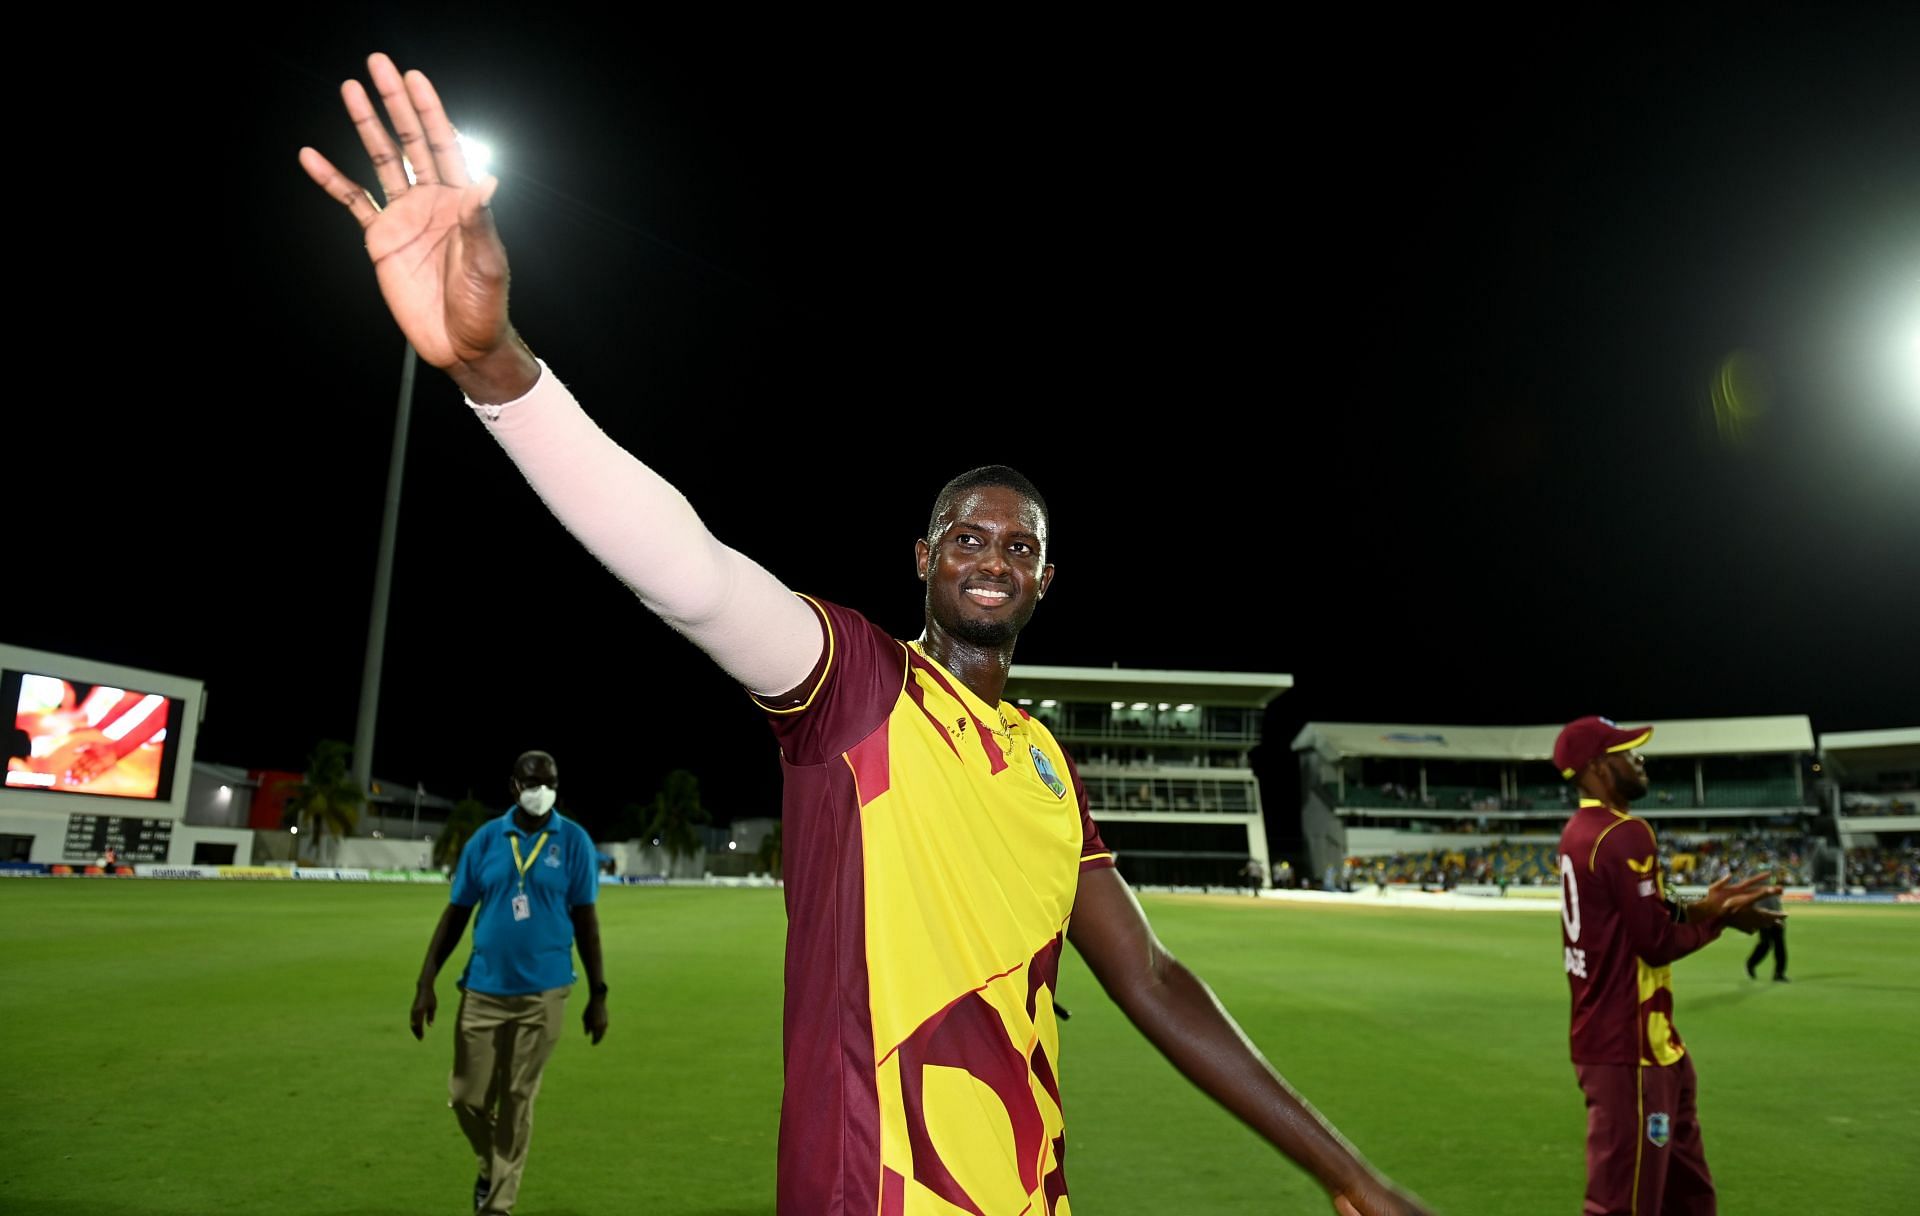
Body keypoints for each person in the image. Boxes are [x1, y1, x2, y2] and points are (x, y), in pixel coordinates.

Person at [303, 54, 1426, 1216]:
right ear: (924, 559)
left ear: (1046, 578)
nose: (992, 555)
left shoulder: (1048, 767)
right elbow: (687, 571)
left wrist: (1345, 1171)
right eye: (967, 536)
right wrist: (496, 367)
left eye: (1019, 545)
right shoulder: (856, 688)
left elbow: (1148, 974)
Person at [1553, 716, 1783, 1216]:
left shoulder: (1579, 831)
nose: (1639, 760)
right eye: (1626, 753)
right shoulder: (1624, 833)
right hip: (1629, 1050)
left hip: (1648, 1046)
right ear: (1597, 769)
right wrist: (1723, 921)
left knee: (1688, 1194)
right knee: (1624, 1204)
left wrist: (1705, 904)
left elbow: (1640, 912)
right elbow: (1655, 942)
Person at [410, 750, 607, 1216]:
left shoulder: (574, 842)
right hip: (483, 990)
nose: (543, 790)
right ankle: (489, 1164)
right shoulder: (486, 840)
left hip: (546, 992)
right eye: (534, 781)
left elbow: (587, 922)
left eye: (551, 781)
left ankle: (497, 1205)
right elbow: (456, 914)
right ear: (514, 786)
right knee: (466, 1097)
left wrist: (599, 994)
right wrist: (425, 982)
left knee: (518, 1099)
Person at [1744, 886, 1788, 982]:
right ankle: (1750, 964)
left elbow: (1777, 904)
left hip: (1776, 918)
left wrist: (1780, 918)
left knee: (1779, 946)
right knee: (1766, 944)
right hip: (1764, 919)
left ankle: (1779, 973)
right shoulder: (1760, 890)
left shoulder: (1770, 888)